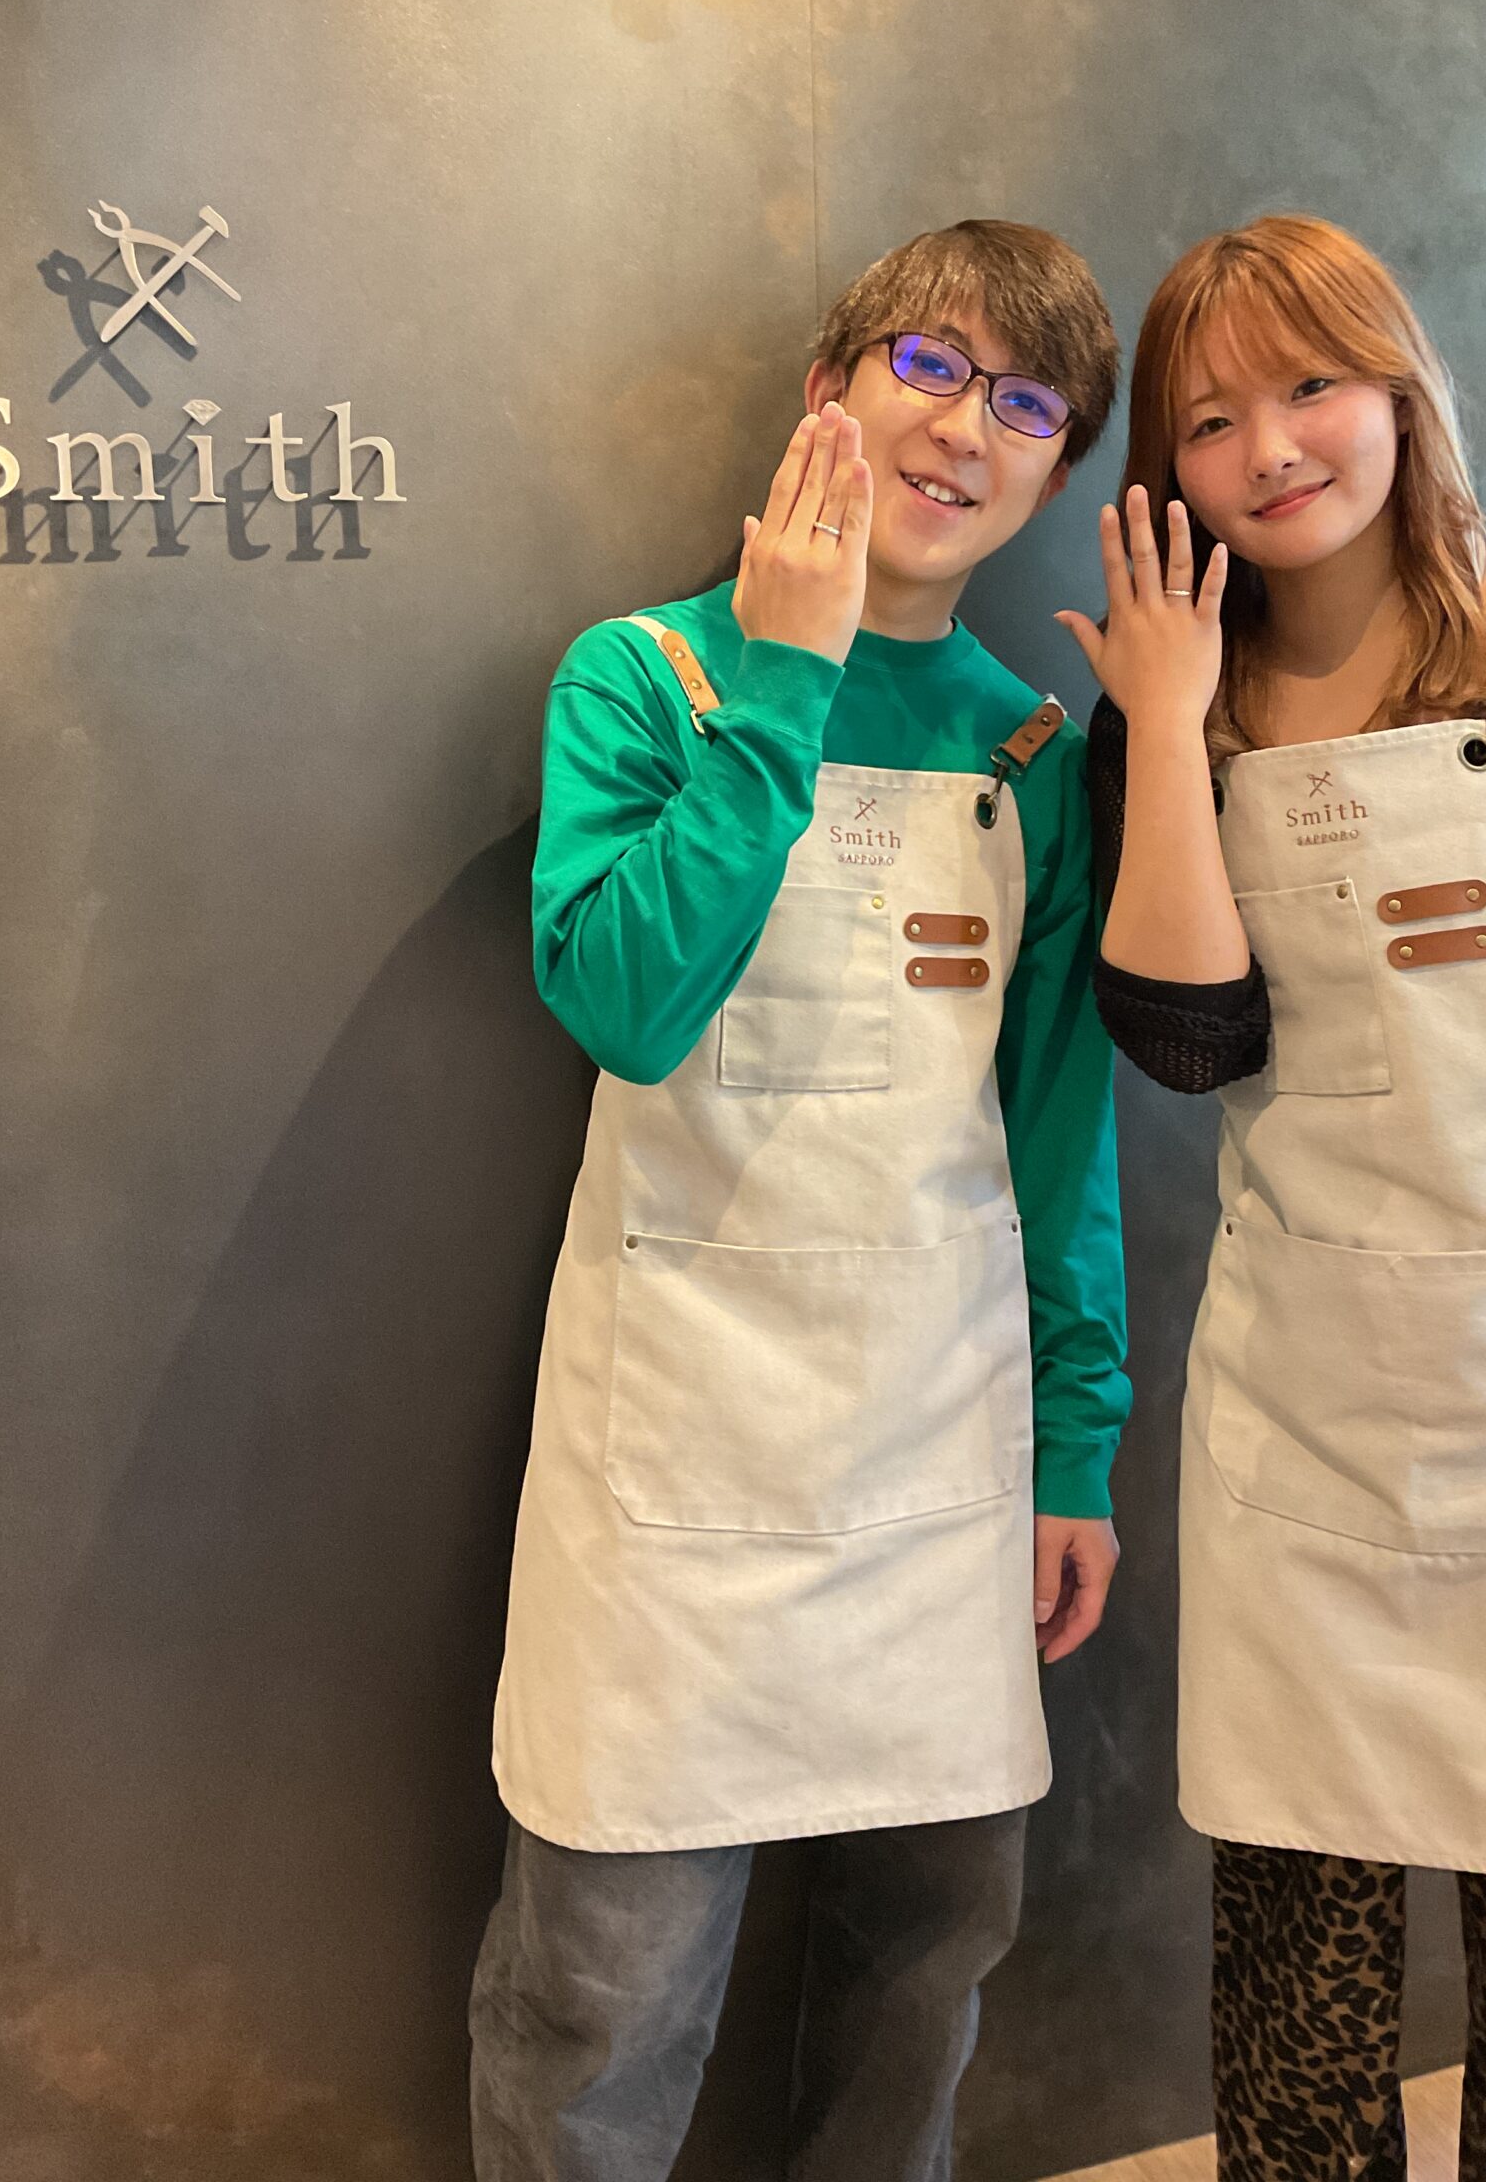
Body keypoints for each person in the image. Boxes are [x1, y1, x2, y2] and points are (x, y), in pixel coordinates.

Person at [1059, 213, 1486, 2182]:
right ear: (1166, 470)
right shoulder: (1161, 712)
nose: (1271, 447)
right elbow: (1187, 1041)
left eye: (1311, 385)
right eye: (1211, 419)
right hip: (1322, 1406)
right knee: (1297, 1946)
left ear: (1398, 390)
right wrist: (1170, 721)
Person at [471, 220, 1131, 2182]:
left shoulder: (1035, 748)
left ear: (1051, 473)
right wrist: (784, 683)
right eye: (930, 365)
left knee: (928, 1964)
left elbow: (1059, 1132)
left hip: (941, 1445)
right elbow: (627, 1002)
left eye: (1028, 405)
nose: (967, 427)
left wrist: (1078, 1440)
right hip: (677, 1466)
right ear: (828, 390)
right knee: (600, 1999)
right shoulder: (647, 678)